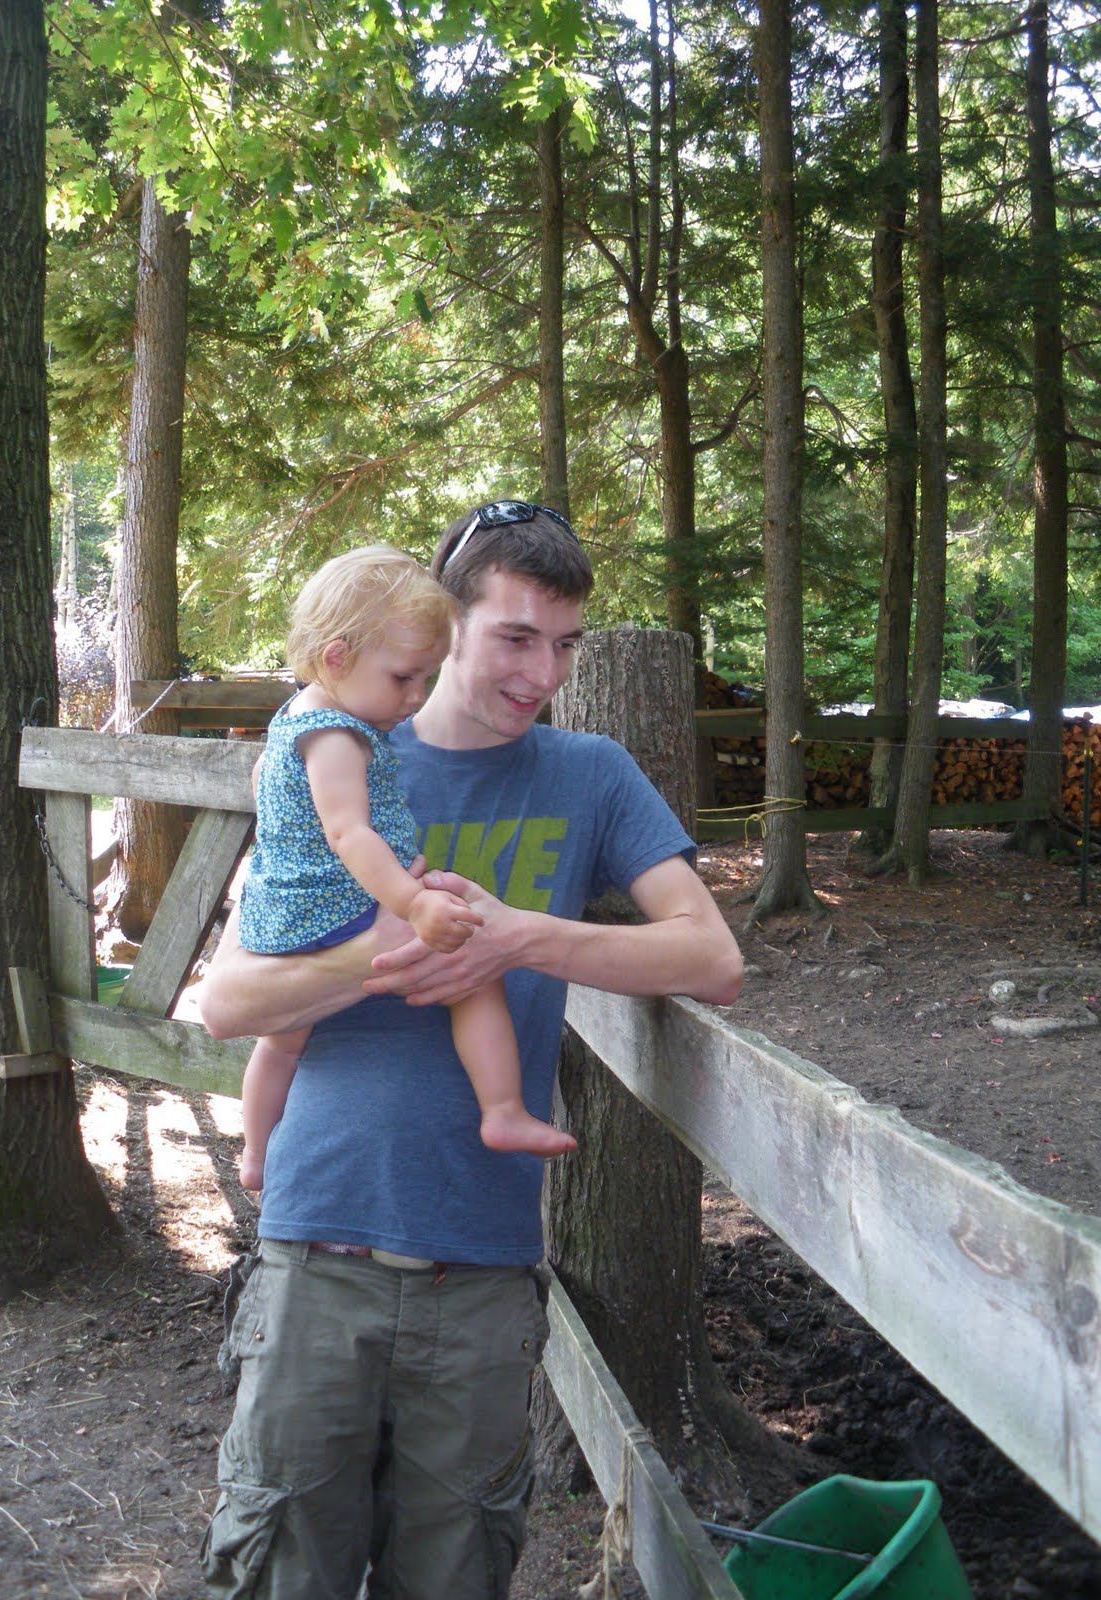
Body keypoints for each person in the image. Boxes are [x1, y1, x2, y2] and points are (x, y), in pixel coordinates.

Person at [198, 501, 744, 1600]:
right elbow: (228, 1002)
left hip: (483, 1264)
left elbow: (711, 958)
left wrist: (517, 936)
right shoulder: (339, 750)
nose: (544, 674)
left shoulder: (591, 775)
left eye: (566, 644)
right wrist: (382, 958)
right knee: (282, 1569)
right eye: (515, 637)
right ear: (447, 621)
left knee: (454, 1574)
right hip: (316, 1249)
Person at [236, 544, 576, 1191]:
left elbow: (267, 784)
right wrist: (414, 903)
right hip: (340, 905)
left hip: (290, 911)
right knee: (474, 970)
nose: (416, 697)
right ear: (337, 657)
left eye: (425, 678)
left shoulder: (295, 716)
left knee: (282, 1042)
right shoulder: (337, 736)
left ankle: (255, 1155)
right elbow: (349, 832)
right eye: (402, 678)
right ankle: (503, 1109)